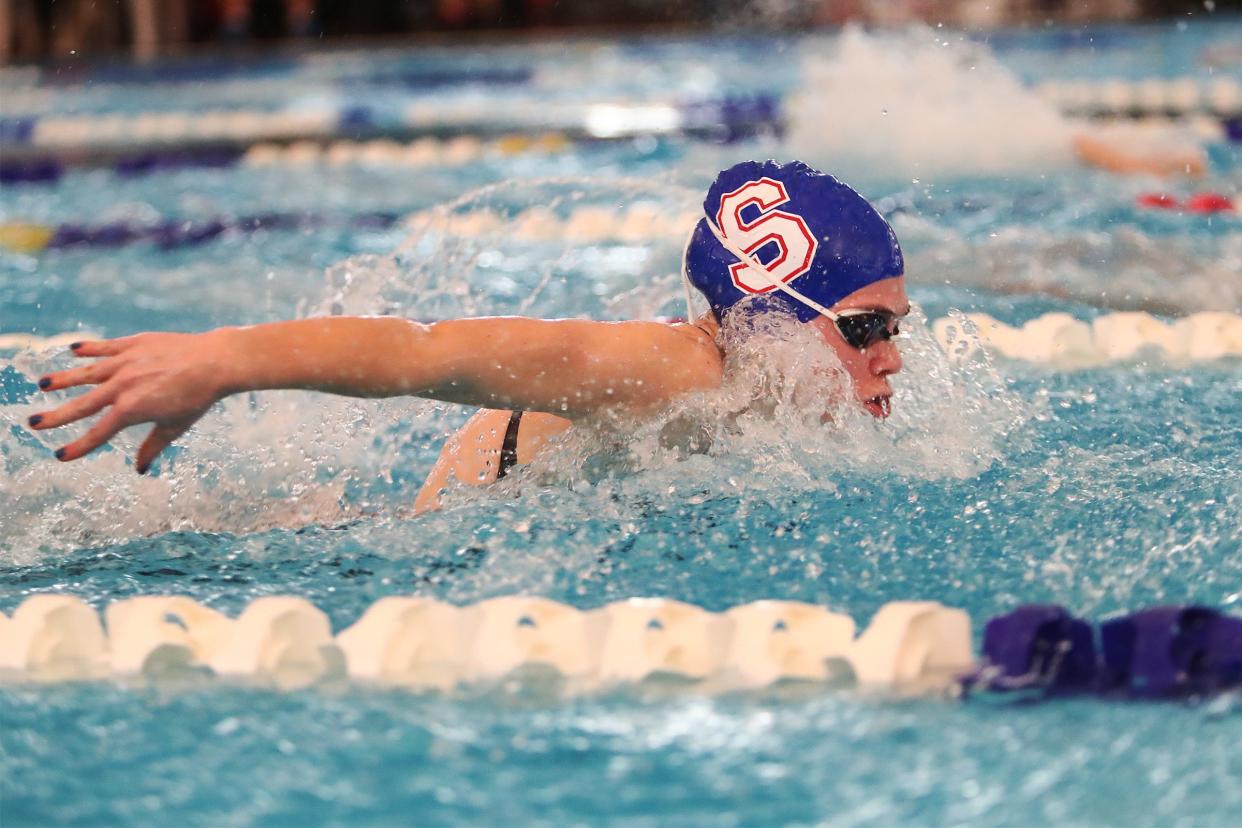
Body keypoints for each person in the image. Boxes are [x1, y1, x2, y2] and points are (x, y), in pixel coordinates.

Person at [27, 160, 909, 512]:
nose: (891, 357)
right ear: (767, 316)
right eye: (863, 328)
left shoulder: (779, 407)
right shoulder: (670, 371)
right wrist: (217, 361)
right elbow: (425, 352)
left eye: (896, 329)